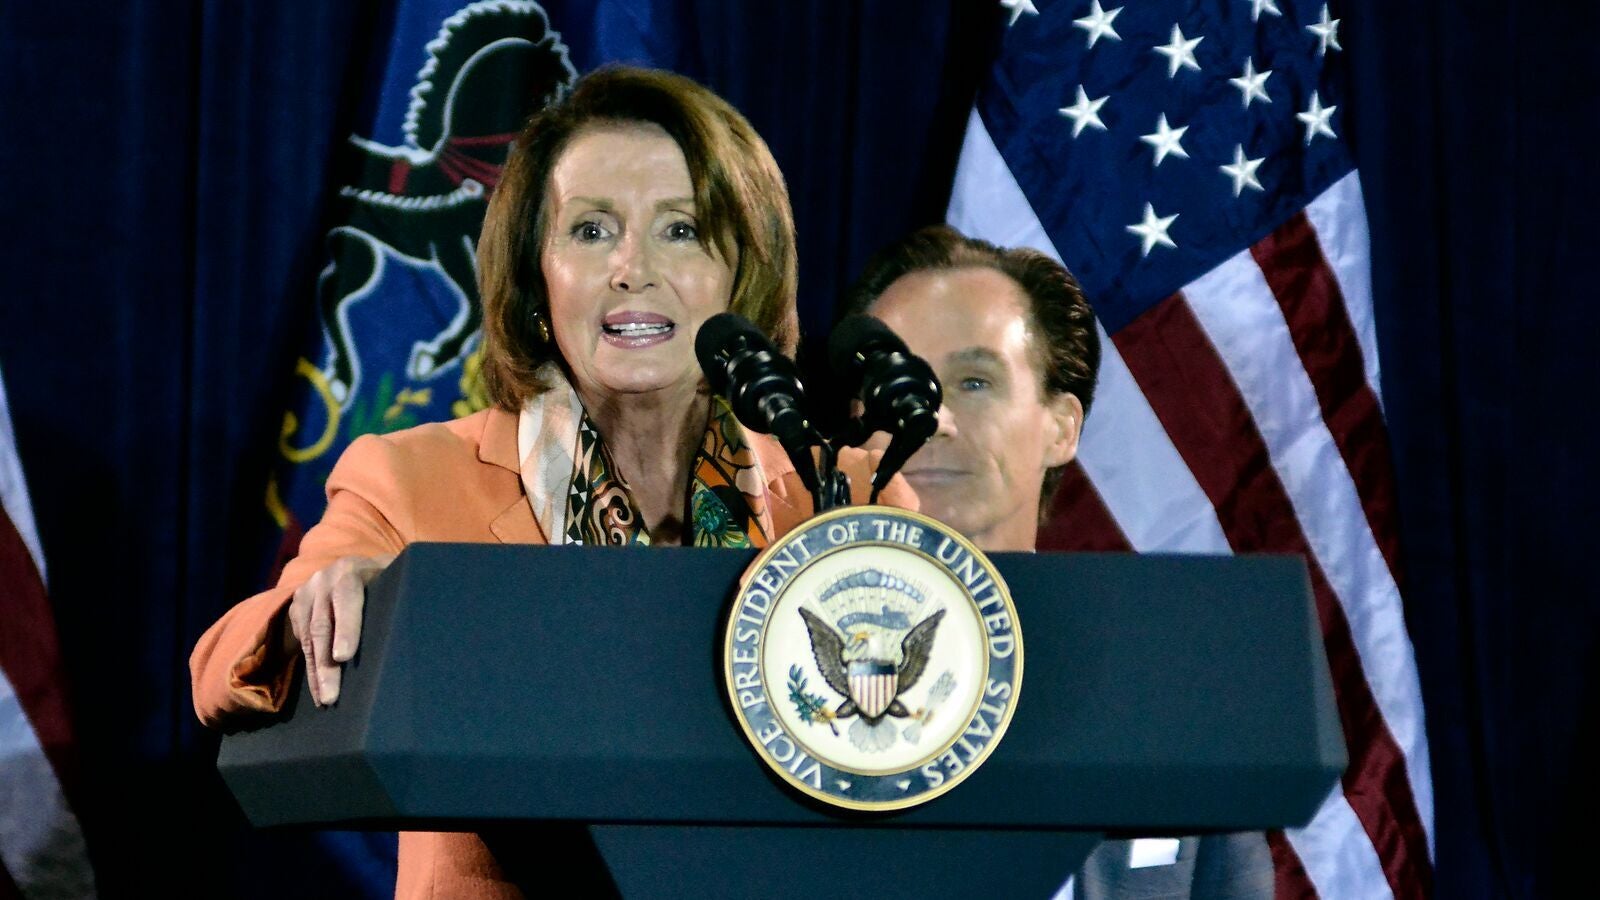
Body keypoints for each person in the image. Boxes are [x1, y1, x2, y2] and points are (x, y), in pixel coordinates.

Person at [191, 66, 911, 899]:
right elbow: (221, 671)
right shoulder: (417, 479)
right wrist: (327, 602)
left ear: (742, 273)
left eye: (681, 230)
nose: (633, 268)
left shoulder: (841, 497)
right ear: (539, 280)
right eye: (593, 230)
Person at [843, 224, 1273, 900]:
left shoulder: (1169, 703)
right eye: (898, 382)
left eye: (974, 381)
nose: (932, 419)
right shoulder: (780, 679)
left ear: (1062, 426)